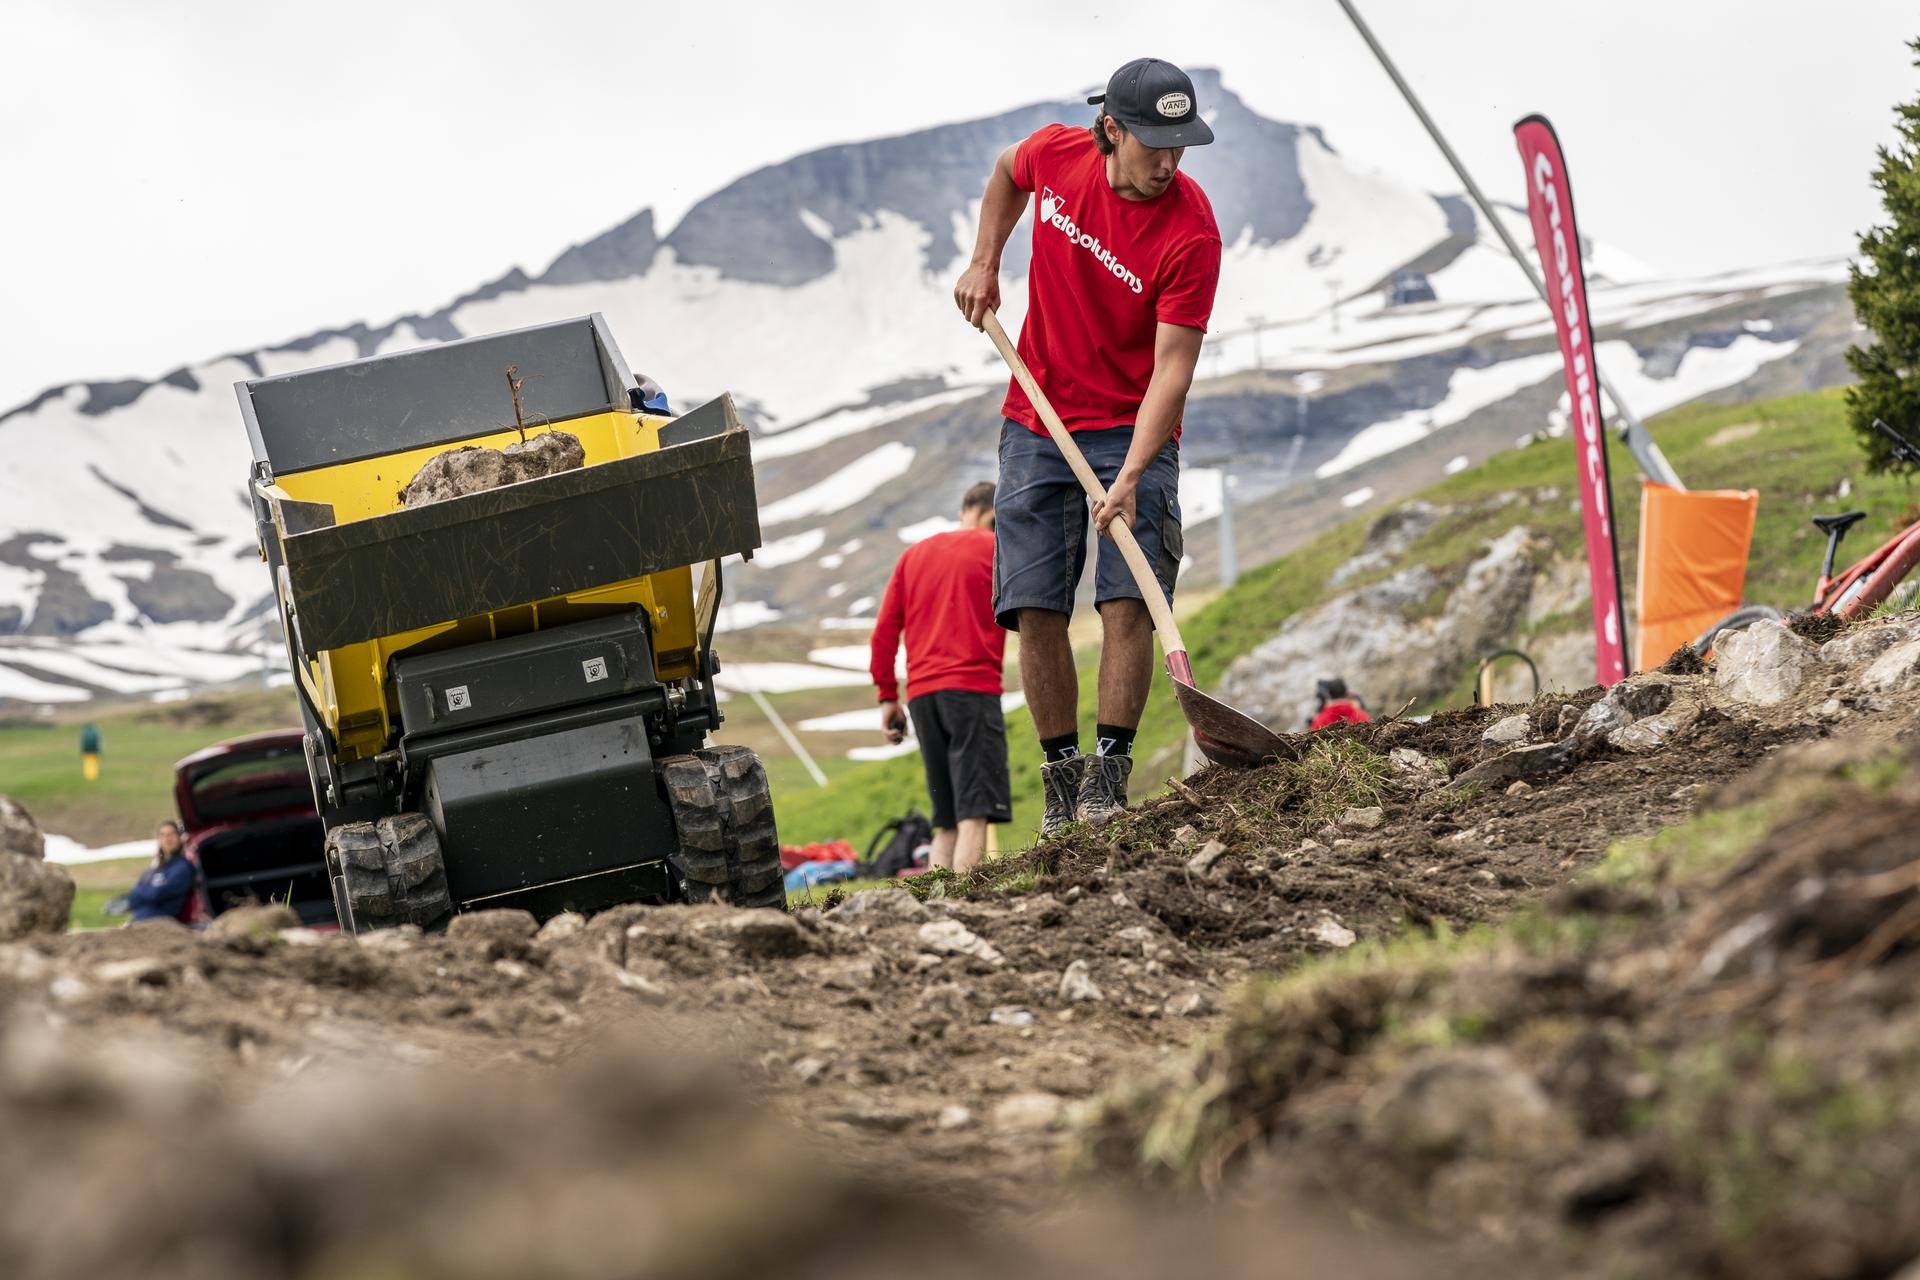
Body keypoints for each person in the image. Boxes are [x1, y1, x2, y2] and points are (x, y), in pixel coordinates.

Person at [954, 57, 1221, 834]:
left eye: (1181, 147)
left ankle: (1110, 781)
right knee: (1034, 605)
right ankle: (1062, 786)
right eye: (1153, 145)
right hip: (1036, 418)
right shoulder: (1059, 154)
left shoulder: (1191, 233)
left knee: (1127, 601)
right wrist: (984, 259)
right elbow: (1007, 172)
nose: (1168, 163)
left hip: (1133, 427)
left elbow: (1173, 370)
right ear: (1111, 130)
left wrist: (1134, 471)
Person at [869, 482, 1010, 871]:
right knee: (974, 811)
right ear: (993, 515)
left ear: (965, 509)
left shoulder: (914, 556)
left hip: (922, 698)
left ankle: (937, 899)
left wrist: (887, 698)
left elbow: (883, 633)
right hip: (972, 690)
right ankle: (966, 901)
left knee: (945, 819)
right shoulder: (998, 549)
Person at [123, 820, 197, 922]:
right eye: (163, 835)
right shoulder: (155, 869)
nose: (167, 838)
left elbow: (157, 893)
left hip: (161, 924)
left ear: (180, 838)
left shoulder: (183, 867)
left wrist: (141, 890)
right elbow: (132, 900)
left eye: (172, 834)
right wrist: (145, 891)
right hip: (139, 921)